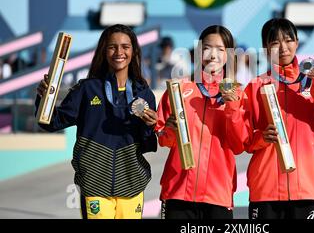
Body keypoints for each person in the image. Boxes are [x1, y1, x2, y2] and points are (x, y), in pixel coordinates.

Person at [35, 24, 158, 219]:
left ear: (133, 51)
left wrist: (150, 126)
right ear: (103, 50)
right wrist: (44, 100)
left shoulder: (143, 94)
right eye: (112, 46)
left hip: (132, 184)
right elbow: (51, 123)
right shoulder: (87, 89)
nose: (119, 52)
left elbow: (148, 145)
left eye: (125, 46)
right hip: (95, 184)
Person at [241, 18, 314, 219]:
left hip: (305, 185)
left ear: (297, 42)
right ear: (265, 48)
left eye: (288, 40)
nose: (283, 47)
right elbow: (243, 140)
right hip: (266, 187)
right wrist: (262, 138)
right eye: (275, 42)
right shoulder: (256, 86)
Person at [155, 25, 247, 219]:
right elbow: (163, 139)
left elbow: (239, 144)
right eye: (207, 48)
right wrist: (170, 131)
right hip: (178, 192)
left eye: (220, 49)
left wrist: (231, 107)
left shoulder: (237, 94)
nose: (213, 55)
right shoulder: (178, 89)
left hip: (218, 195)